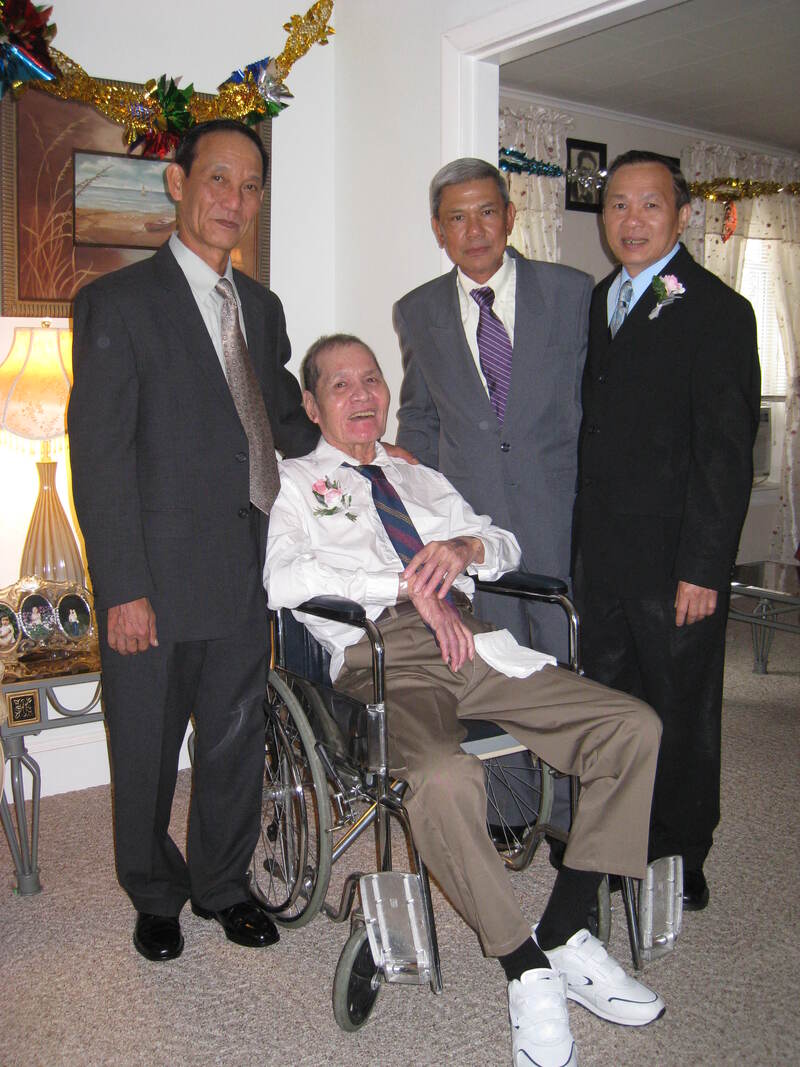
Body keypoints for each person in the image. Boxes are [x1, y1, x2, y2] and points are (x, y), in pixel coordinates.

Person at [265, 334, 666, 1067]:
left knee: (630, 726)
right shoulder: (295, 482)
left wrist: (464, 552)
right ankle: (525, 966)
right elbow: (283, 582)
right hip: (384, 656)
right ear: (313, 407)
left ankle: (566, 928)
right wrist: (405, 585)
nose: (362, 394)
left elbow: (503, 544)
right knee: (443, 776)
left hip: (477, 644)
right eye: (341, 384)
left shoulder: (418, 477)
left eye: (371, 379)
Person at [67, 119, 319, 962]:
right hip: (156, 580)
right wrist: (122, 589)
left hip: (248, 568)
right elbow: (101, 459)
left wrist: (359, 437)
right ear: (178, 184)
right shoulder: (117, 302)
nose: (234, 201)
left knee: (234, 739)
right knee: (143, 747)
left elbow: (279, 421)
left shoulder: (263, 308)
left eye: (250, 187)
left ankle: (221, 883)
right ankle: (153, 890)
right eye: (218, 179)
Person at [573, 150, 761, 911]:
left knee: (680, 709)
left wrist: (705, 568)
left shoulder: (718, 311)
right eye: (617, 204)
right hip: (604, 556)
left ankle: (682, 849)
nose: (631, 220)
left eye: (650, 204)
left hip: (676, 563)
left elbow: (726, 455)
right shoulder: (602, 299)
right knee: (609, 703)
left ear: (682, 215)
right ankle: (614, 839)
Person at [394, 157, 593, 661]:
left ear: (509, 215)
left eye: (486, 212)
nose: (475, 230)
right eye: (457, 218)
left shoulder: (571, 293)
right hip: (472, 522)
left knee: (569, 659)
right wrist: (416, 503)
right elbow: (420, 417)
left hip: (560, 515)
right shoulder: (417, 310)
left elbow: (595, 408)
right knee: (498, 662)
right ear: (439, 230)